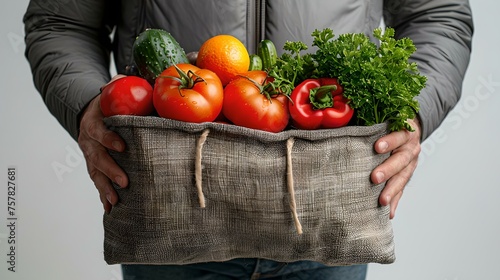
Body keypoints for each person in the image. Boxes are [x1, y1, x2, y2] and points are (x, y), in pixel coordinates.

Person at [23, 1, 473, 279]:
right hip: (169, 208)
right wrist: (85, 104)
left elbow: (437, 13)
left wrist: (415, 109)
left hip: (328, 210)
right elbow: (60, 21)